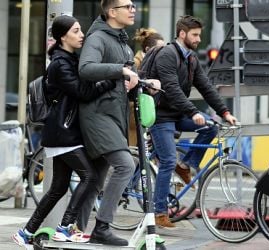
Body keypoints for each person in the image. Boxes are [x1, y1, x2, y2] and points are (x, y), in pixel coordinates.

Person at [12, 15, 116, 246]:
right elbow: (83, 92)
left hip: (63, 132)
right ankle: (66, 227)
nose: (82, 35)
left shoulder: (68, 59)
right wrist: (112, 78)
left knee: (58, 188)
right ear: (62, 37)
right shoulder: (60, 63)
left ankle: (25, 233)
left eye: (81, 30)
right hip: (63, 132)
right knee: (90, 177)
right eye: (76, 31)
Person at [77, 0, 159, 246]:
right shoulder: (98, 38)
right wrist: (121, 71)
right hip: (97, 113)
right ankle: (102, 227)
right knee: (125, 164)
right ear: (112, 12)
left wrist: (145, 83)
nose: (133, 9)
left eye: (134, 5)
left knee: (95, 177)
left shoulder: (121, 42)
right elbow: (86, 68)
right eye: (127, 6)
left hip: (115, 114)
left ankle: (75, 228)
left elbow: (126, 82)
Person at [146, 15, 237, 228]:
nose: (198, 39)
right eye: (195, 35)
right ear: (182, 34)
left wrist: (224, 112)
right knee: (168, 160)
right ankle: (159, 212)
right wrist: (193, 111)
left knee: (210, 126)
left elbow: (206, 87)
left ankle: (187, 164)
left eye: (199, 35)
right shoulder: (168, 54)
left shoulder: (191, 58)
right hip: (161, 116)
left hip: (178, 113)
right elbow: (171, 88)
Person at [128, 28, 164, 147]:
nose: (164, 53)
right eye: (160, 49)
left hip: (147, 109)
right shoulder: (136, 63)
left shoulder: (155, 61)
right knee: (136, 150)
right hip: (136, 112)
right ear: (148, 49)